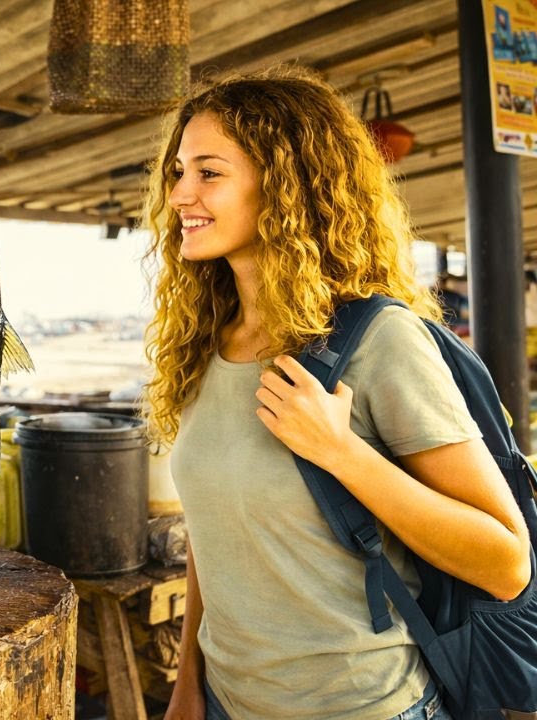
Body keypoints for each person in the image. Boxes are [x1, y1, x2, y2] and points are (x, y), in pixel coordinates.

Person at [140, 67, 531, 720]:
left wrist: (342, 452)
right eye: (177, 171)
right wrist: (187, 689)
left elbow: (505, 561)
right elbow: (217, 539)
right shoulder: (206, 345)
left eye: (209, 172)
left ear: (284, 183)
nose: (180, 193)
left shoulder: (381, 340)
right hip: (227, 706)